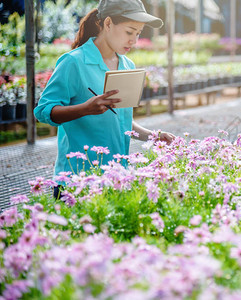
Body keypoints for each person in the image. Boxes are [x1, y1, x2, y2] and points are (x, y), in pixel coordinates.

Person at [34, 0, 175, 198]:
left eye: (138, 33)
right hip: (76, 181)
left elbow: (121, 118)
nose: (133, 40)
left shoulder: (127, 65)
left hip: (117, 178)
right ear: (108, 24)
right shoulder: (73, 62)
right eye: (129, 32)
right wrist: (85, 108)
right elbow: (43, 111)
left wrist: (153, 136)